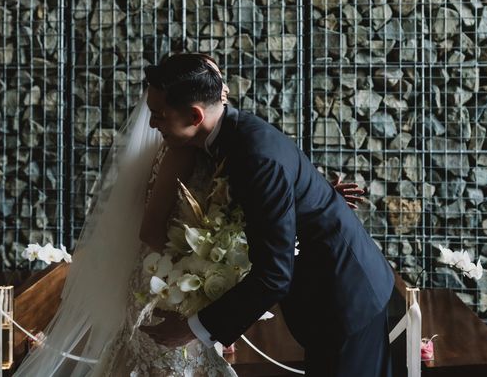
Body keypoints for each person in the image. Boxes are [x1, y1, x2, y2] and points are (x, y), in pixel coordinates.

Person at [14, 52, 367, 376]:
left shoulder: (231, 145)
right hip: (169, 280)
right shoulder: (187, 146)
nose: (153, 123)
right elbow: (154, 230)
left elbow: (256, 201)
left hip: (214, 286)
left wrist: (308, 198)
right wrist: (203, 296)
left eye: (160, 114)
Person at [140, 53, 394, 377]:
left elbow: (274, 274)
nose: (152, 124)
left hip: (344, 297)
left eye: (159, 115)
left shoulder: (255, 157)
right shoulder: (231, 135)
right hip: (329, 292)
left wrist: (192, 328)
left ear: (194, 115)